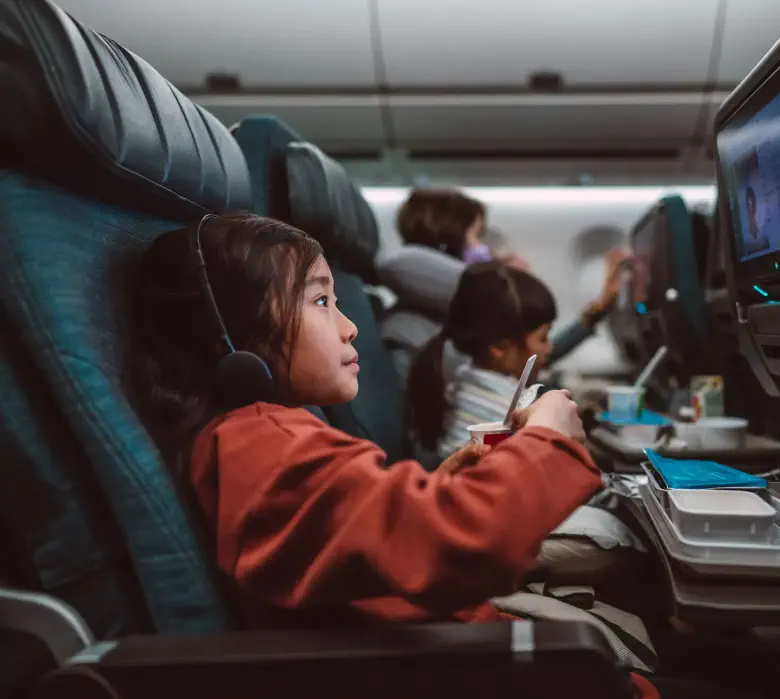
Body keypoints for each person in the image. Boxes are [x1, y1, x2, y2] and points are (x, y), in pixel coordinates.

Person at [128, 213, 664, 699]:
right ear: (232, 333)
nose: (350, 324)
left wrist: (447, 482)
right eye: (320, 301)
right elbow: (462, 546)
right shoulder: (260, 450)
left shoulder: (266, 436)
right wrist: (551, 441)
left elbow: (375, 530)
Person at [396, 188, 630, 366]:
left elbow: (525, 357)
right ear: (447, 244)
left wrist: (597, 311)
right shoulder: (412, 330)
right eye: (477, 236)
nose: (485, 250)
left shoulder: (452, 314)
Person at [408, 261, 557, 457]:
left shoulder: (466, 379)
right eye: (543, 338)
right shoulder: (503, 410)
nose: (550, 347)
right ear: (499, 347)